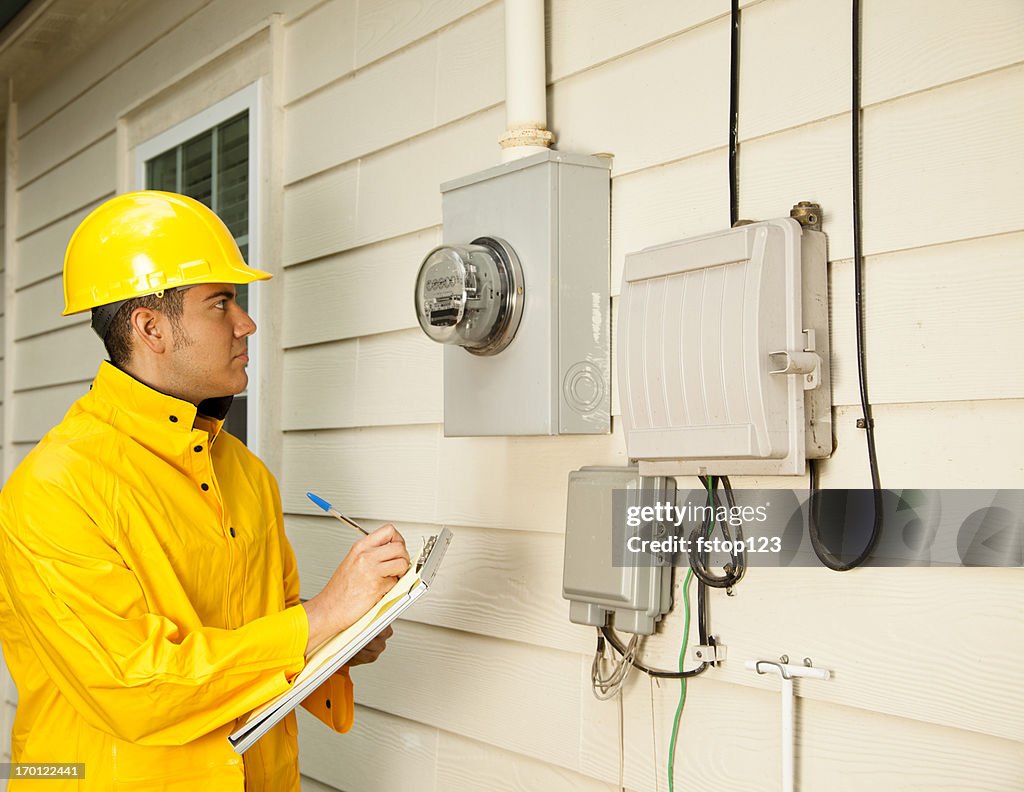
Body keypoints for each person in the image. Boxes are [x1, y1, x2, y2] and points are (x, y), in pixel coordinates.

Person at [0, 191, 410, 790]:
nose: (245, 324)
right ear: (150, 328)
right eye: (220, 303)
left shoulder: (245, 474)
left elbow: (258, 638)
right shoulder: (54, 488)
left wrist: (338, 641)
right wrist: (319, 619)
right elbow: (135, 688)